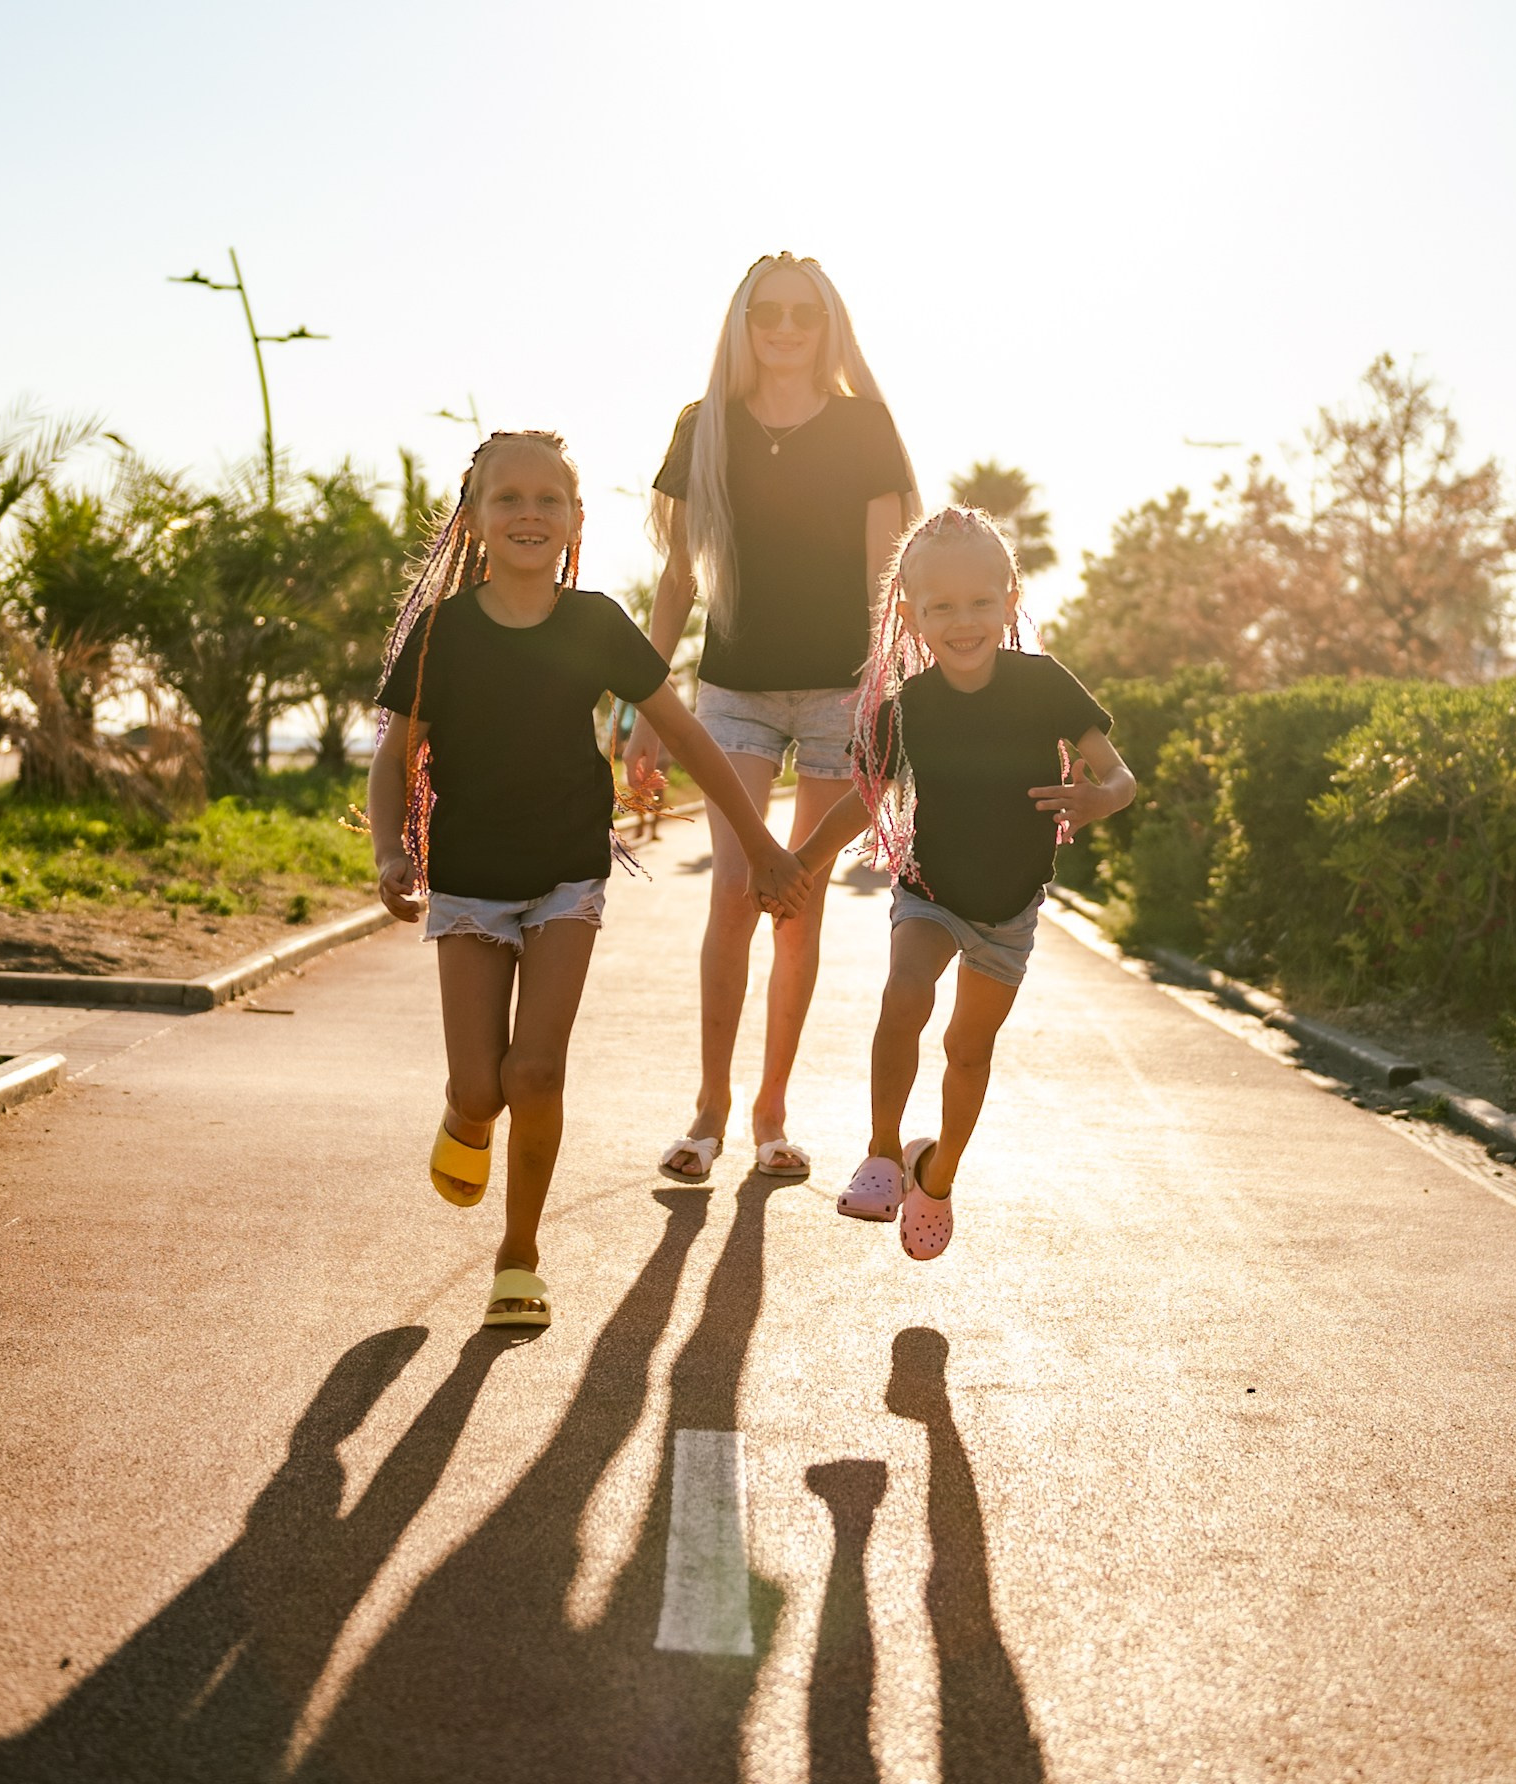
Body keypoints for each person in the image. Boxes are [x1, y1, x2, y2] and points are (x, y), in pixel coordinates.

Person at [369, 430, 802, 1333]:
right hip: (468, 884)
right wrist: (388, 851)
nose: (530, 512)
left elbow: (685, 735)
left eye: (549, 499)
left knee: (537, 1069)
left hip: (567, 873)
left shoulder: (595, 622)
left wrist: (760, 842)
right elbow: (395, 754)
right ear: (475, 520)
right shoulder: (442, 634)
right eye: (508, 498)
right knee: (481, 1088)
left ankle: (517, 1256)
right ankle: (466, 1115)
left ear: (573, 519)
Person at [627, 251, 916, 1181]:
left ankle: (771, 1114)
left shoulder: (867, 427)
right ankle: (708, 1110)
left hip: (843, 693)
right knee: (733, 896)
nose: (784, 326)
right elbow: (677, 579)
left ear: (826, 324)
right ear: (742, 324)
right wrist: (644, 708)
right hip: (735, 691)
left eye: (802, 311)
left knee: (800, 905)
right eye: (767, 312)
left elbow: (886, 581)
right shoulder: (703, 427)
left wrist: (887, 708)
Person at [792, 506, 1136, 1260]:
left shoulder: (1043, 685)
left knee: (968, 1050)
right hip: (932, 892)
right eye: (942, 607)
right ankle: (884, 1152)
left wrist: (1101, 797)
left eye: (981, 601)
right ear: (911, 617)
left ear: (1010, 600)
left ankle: (936, 1174)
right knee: (904, 994)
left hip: (1010, 912)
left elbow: (1120, 774)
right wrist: (800, 867)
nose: (964, 620)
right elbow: (864, 799)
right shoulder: (908, 709)